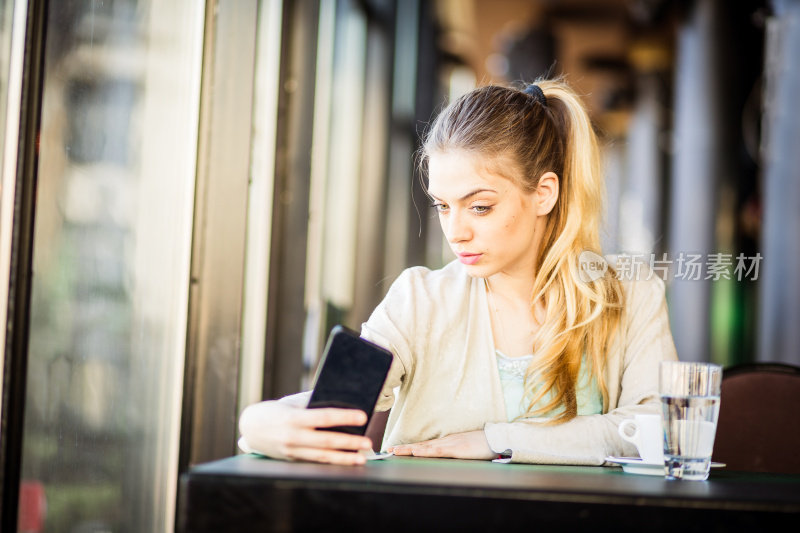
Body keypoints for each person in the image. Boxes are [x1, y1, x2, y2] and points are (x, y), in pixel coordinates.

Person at [238, 79, 678, 466]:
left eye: (480, 207)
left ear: (544, 193)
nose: (456, 232)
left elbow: (658, 431)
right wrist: (258, 423)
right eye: (443, 207)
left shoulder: (630, 292)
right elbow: (331, 409)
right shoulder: (419, 300)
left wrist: (497, 440)